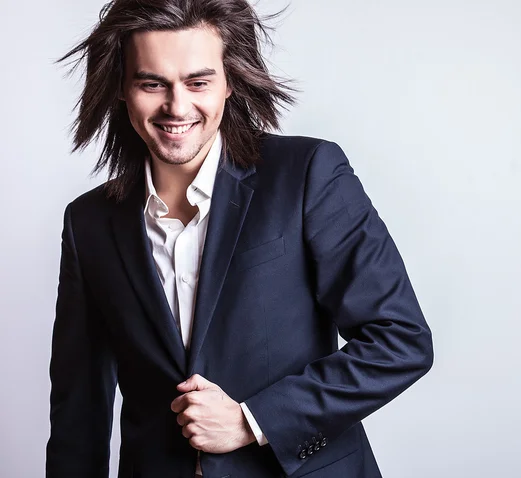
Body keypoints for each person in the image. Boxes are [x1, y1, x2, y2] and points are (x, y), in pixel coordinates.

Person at [46, 1, 434, 477]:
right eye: (152, 83)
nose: (177, 106)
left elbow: (400, 340)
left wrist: (254, 420)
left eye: (198, 81)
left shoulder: (307, 175)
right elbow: (77, 412)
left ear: (230, 82)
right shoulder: (88, 222)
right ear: (123, 89)